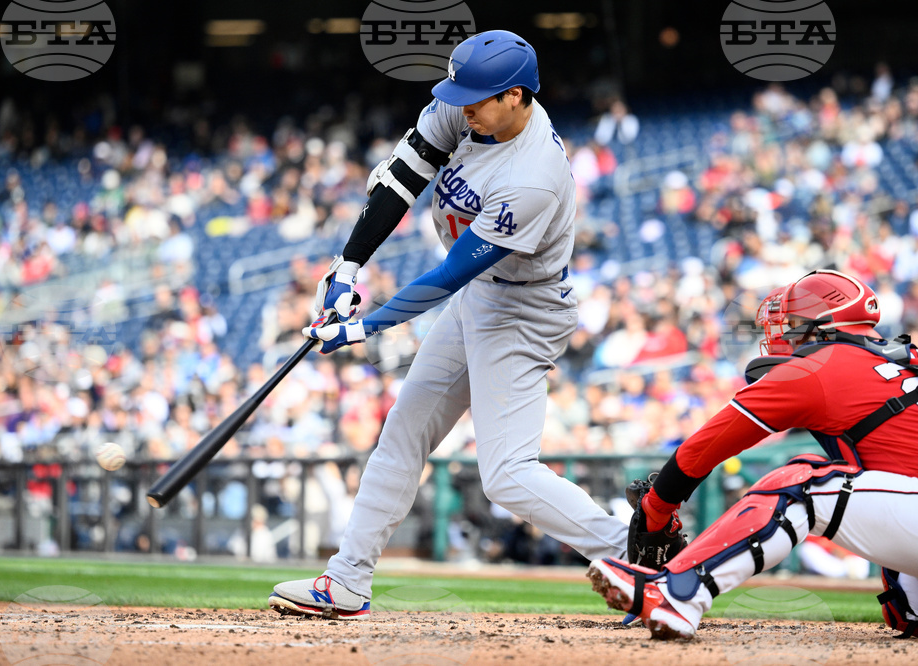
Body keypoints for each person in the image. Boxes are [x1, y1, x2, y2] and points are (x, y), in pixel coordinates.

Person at [268, 30, 628, 619]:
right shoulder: (470, 106)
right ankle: (347, 580)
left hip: (524, 310)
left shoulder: (533, 175)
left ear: (516, 96)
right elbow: (402, 178)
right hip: (483, 297)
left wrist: (363, 328)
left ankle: (634, 549)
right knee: (403, 431)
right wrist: (348, 266)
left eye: (478, 100)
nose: (463, 108)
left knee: (507, 476)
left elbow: (450, 275)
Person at [588, 269, 918, 640]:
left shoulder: (819, 366)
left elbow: (701, 449)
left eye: (791, 323)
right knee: (905, 601)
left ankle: (676, 594)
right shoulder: (905, 357)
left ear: (821, 324)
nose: (781, 334)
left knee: (801, 484)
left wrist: (656, 509)